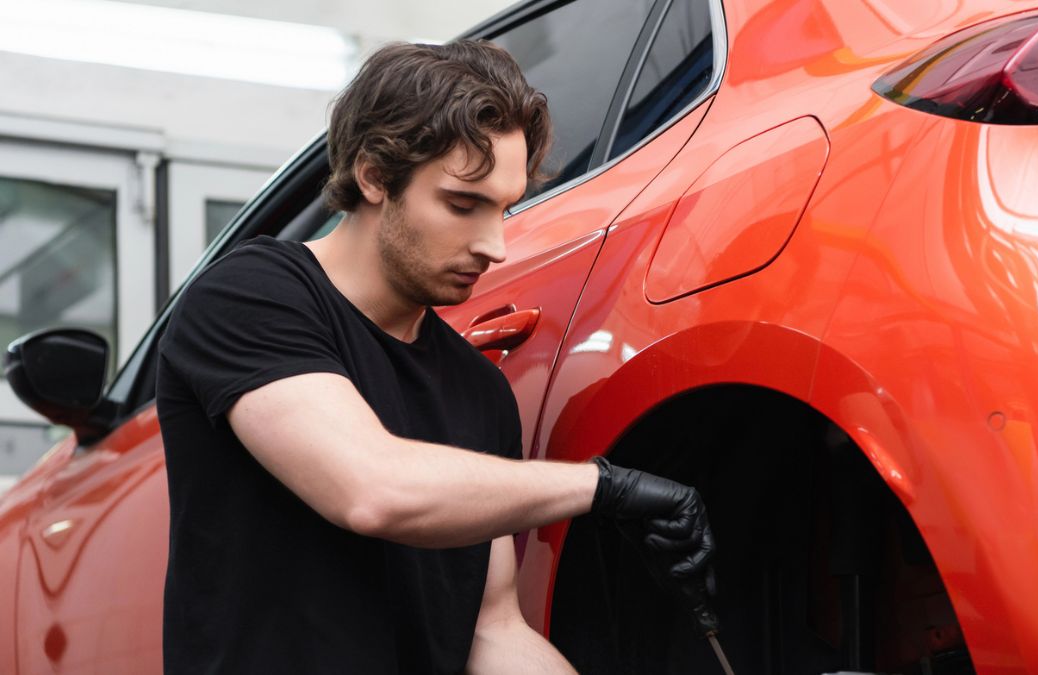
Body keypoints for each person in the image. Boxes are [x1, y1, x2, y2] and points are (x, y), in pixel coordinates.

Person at [155, 40, 716, 674]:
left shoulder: (478, 390)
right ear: (373, 176)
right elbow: (370, 489)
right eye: (462, 204)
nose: (494, 245)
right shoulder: (252, 294)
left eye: (504, 209)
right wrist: (604, 486)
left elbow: (492, 630)